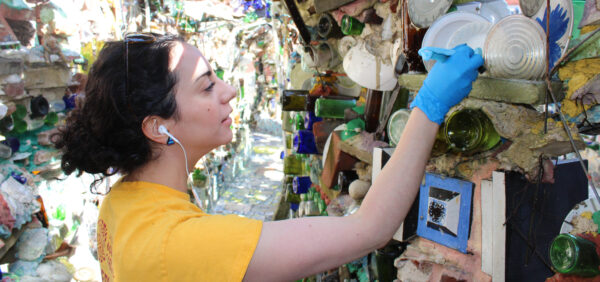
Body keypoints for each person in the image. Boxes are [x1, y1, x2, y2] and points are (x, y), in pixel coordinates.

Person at [55, 34, 483, 281]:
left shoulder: (124, 201)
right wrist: (428, 107)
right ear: (157, 127)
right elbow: (368, 229)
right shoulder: (178, 246)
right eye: (206, 87)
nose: (229, 91)